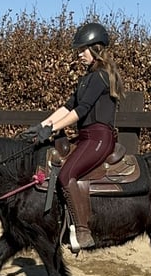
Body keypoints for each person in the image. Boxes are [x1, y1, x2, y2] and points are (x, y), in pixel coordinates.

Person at [19, 22, 125, 251]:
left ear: (95, 49)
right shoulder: (87, 78)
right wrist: (43, 125)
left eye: (82, 50)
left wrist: (54, 128)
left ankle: (83, 231)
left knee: (67, 174)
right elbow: (68, 107)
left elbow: (82, 110)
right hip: (86, 138)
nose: (79, 55)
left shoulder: (101, 77)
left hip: (99, 139)